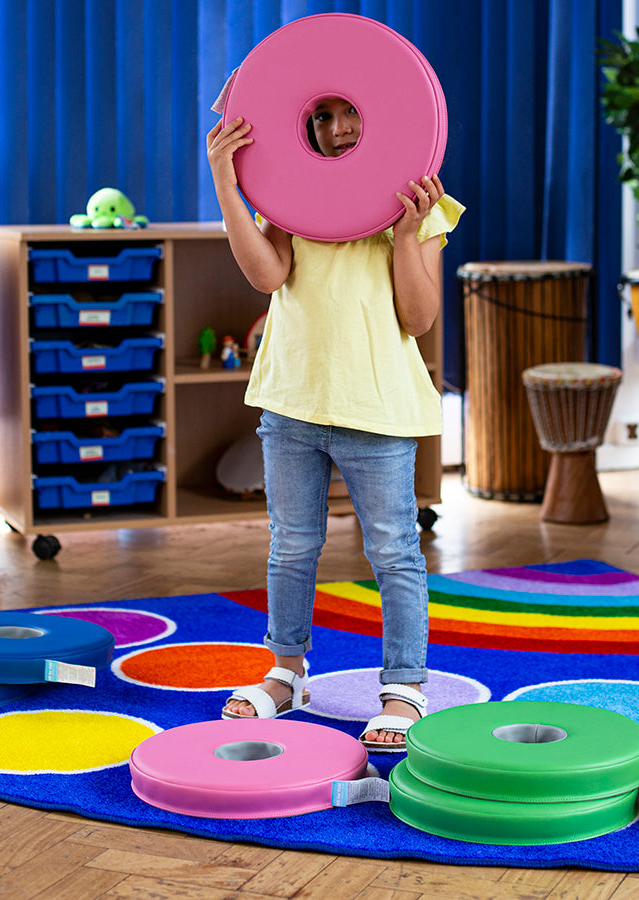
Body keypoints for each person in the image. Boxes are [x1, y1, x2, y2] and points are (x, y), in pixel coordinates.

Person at [206, 98, 464, 752]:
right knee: (291, 546)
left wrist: (406, 235)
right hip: (292, 399)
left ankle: (404, 686)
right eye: (324, 116)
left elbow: (419, 318)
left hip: (373, 408)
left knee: (393, 550)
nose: (341, 127)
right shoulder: (292, 193)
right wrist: (226, 184)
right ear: (308, 128)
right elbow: (267, 273)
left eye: (351, 112)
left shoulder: (420, 202)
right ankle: (287, 672)